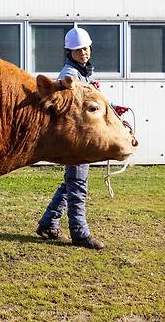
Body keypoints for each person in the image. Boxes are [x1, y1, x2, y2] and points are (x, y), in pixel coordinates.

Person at [36, 27, 129, 250]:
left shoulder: (84, 73)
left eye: (86, 49)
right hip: (77, 138)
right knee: (77, 184)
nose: (84, 53)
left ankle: (49, 223)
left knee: (71, 183)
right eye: (79, 50)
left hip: (83, 136)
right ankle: (79, 233)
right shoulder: (69, 76)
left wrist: (113, 110)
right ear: (70, 53)